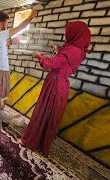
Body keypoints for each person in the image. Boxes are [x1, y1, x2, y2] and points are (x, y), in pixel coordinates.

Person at [18, 21, 92, 157]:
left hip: (54, 84)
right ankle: (43, 141)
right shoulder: (79, 50)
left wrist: (38, 56)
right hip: (63, 84)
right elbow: (65, 61)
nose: (66, 35)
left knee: (43, 111)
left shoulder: (69, 50)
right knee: (52, 114)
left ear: (74, 34)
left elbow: (49, 64)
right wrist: (58, 50)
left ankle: (32, 140)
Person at [0, 8, 37, 115]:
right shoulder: (1, 35)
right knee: (1, 97)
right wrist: (31, 16)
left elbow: (0, 47)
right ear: (1, 24)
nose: (7, 26)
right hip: (1, 72)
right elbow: (21, 27)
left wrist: (7, 44)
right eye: (6, 23)